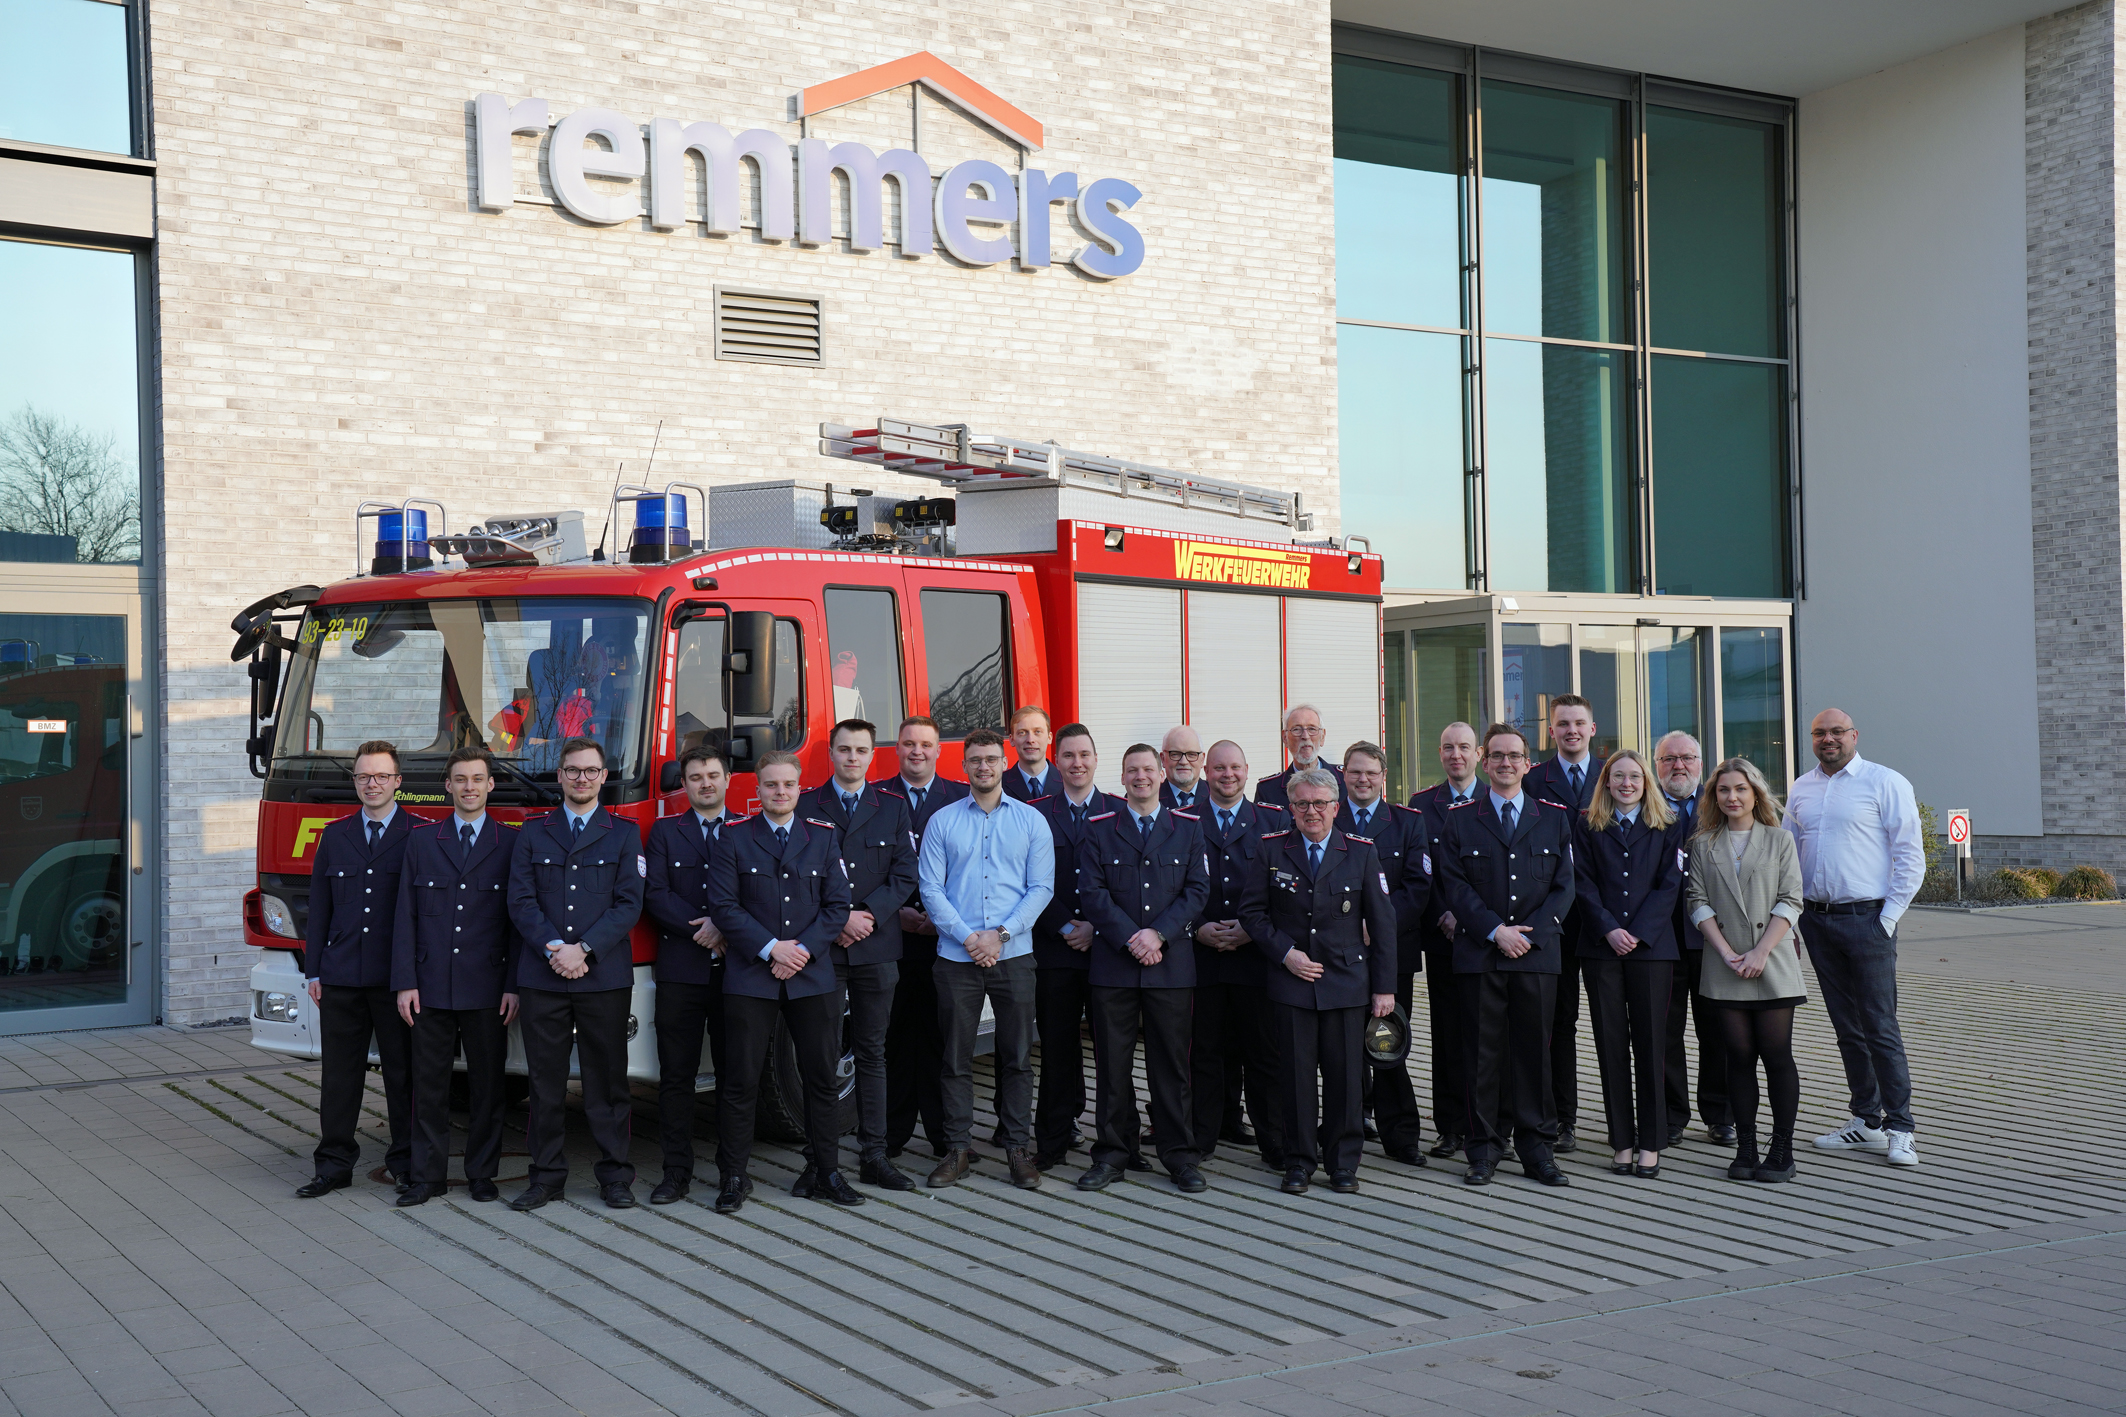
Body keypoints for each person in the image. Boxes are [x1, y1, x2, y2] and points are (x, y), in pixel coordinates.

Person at [709, 750, 859, 1211]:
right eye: (771, 785)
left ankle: (825, 1171)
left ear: (799, 788)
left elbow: (837, 906)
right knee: (740, 1081)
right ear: (756, 790)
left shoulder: (822, 837)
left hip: (811, 976)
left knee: (821, 1078)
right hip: (751, 977)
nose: (780, 792)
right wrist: (772, 948)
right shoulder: (733, 837)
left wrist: (801, 950)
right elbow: (723, 906)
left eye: (788, 785)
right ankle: (734, 1177)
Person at [1241, 768, 1398, 1195]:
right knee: (1295, 1079)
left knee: (1346, 1079)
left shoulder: (1361, 851)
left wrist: (1384, 988)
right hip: (1292, 983)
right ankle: (1298, 1162)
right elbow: (1252, 913)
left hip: (1346, 983)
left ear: (1335, 807)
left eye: (1320, 804)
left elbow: (1383, 925)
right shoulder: (1272, 849)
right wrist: (1285, 954)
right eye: (1302, 804)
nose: (1312, 812)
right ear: (1291, 808)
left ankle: (1343, 1164)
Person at [506, 738, 647, 1211]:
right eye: (572, 770)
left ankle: (615, 1177)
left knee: (607, 1082)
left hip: (602, 976)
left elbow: (629, 903)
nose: (581, 778)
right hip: (543, 974)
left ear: (603, 777)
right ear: (560, 776)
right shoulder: (533, 832)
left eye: (590, 771)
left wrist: (583, 950)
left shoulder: (623, 834)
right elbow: (520, 900)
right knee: (544, 1083)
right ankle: (546, 1177)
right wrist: (555, 949)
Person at [1437, 723, 1576, 1188]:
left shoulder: (1553, 818)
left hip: (1536, 956)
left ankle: (1538, 1150)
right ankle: (1483, 1150)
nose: (1505, 763)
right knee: (1482, 1057)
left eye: (1514, 756)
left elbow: (1564, 888)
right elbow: (1454, 885)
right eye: (1496, 755)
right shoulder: (1460, 820)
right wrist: (1496, 931)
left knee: (1535, 1055)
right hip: (1480, 954)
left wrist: (1528, 937)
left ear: (1527, 763)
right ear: (1484, 760)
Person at [1786, 708, 1925, 1167]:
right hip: (1817, 922)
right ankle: (1866, 1121)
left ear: (1854, 735)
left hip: (1868, 920)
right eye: (1819, 733)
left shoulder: (1885, 782)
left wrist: (1887, 920)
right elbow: (1788, 855)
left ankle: (1900, 1128)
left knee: (1880, 1027)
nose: (1828, 739)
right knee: (1847, 1027)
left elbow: (1911, 857)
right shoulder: (1801, 788)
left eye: (1837, 732)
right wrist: (1792, 920)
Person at [918, 728, 1055, 1189]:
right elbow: (930, 888)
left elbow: (1041, 888)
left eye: (992, 759)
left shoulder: (1031, 821)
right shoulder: (942, 822)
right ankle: (957, 1150)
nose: (984, 767)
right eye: (975, 760)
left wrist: (999, 935)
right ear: (963, 766)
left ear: (1004, 763)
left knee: (1016, 1057)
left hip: (1014, 954)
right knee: (955, 1058)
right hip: (956, 958)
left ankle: (1016, 1149)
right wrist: (968, 937)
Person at [1074, 744, 1211, 1193]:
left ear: (1162, 773)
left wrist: (1159, 935)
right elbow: (1092, 893)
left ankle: (1180, 1156)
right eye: (1132, 770)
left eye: (1149, 769)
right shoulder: (1099, 828)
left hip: (1170, 966)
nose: (1141, 777)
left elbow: (1197, 890)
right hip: (1114, 965)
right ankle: (1113, 1154)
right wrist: (1133, 938)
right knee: (1112, 1068)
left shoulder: (1188, 828)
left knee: (1171, 1068)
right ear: (1122, 777)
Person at [390, 748, 520, 1206]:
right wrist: (405, 981)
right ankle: (427, 1177)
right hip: (429, 985)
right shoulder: (423, 842)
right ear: (447, 786)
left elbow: (518, 921)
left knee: (488, 1087)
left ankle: (482, 1174)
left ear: (490, 786)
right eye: (460, 779)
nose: (469, 787)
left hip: (488, 986)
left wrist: (513, 985)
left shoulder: (511, 843)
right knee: (428, 1087)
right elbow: (405, 915)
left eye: (477, 779)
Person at [799, 721, 920, 1190]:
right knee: (820, 1056)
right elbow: (798, 877)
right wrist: (839, 920)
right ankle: (818, 1160)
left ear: (873, 756)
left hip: (876, 948)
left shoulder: (892, 807)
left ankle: (875, 1155)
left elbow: (905, 873)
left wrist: (867, 914)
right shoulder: (807, 805)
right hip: (824, 951)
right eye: (845, 749)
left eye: (861, 750)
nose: (853, 757)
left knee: (872, 1053)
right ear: (831, 753)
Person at [297, 740, 418, 1198]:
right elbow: (320, 908)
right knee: (339, 1077)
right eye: (364, 776)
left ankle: (406, 1163)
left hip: (395, 980)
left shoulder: (419, 834)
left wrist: (414, 977)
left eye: (382, 776)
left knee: (403, 1076)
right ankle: (333, 1166)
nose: (372, 784)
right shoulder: (335, 835)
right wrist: (313, 972)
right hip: (341, 976)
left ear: (397, 782)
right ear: (355, 782)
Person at [1688, 757, 1807, 1182]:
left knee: (1776, 1055)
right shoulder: (1703, 844)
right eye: (1723, 790)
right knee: (1737, 1057)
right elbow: (1696, 901)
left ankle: (1782, 1151)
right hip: (1725, 964)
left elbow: (1791, 899)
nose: (1732, 796)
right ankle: (1746, 1148)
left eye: (1740, 788)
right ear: (1714, 797)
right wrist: (1725, 952)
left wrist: (1760, 952)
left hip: (1772, 960)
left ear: (1755, 793)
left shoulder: (1779, 839)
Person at [1573, 749, 1684, 1179]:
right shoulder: (1587, 824)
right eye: (1617, 776)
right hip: (1601, 950)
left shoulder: (1667, 825)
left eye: (1634, 776)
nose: (1626, 784)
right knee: (1611, 1046)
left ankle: (1651, 1144)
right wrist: (1609, 929)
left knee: (1652, 1046)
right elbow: (1581, 882)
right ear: (1606, 782)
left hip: (1651, 950)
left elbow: (1669, 885)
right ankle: (1621, 1141)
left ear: (1646, 782)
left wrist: (1636, 932)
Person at [1188, 738, 1286, 1170]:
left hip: (1255, 958)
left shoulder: (1273, 820)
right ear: (1205, 772)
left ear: (1247, 771)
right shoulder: (1185, 820)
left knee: (1263, 1055)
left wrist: (1252, 929)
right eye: (1219, 768)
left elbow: (1286, 886)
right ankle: (1201, 1139)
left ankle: (1275, 1142)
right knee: (1205, 1053)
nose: (1227, 775)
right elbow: (1176, 886)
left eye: (1235, 768)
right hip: (1203, 957)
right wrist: (1196, 927)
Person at [643, 744, 734, 1205]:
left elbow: (758, 895)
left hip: (737, 974)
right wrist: (704, 930)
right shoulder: (664, 832)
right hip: (681, 971)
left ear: (728, 779)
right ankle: (675, 1173)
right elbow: (655, 894)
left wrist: (725, 926)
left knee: (735, 1077)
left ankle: (732, 1173)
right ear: (684, 784)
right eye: (696, 777)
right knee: (676, 1078)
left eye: (713, 775)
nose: (705, 783)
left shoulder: (746, 828)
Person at [1028, 724, 1119, 1169]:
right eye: (1068, 755)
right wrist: (1066, 925)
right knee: (1057, 1050)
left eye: (1084, 755)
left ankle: (1118, 1143)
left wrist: (1096, 928)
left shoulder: (1119, 810)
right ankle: (1052, 1142)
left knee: (1113, 1054)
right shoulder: (1034, 813)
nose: (1077, 763)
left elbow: (1129, 884)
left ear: (1096, 759)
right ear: (1056, 761)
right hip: (1056, 950)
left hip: (1109, 953)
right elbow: (1027, 879)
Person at [1337, 741, 1432, 1165]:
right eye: (1355, 772)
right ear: (1343, 775)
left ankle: (1401, 1136)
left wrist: (1378, 924)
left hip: (1391, 954)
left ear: (1383, 777)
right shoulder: (1327, 815)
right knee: (1342, 1045)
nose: (1363, 780)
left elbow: (1418, 887)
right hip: (1338, 953)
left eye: (1371, 773)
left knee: (1388, 1041)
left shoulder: (1408, 822)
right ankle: (1346, 1126)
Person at [881, 716, 969, 1159]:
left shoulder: (961, 797)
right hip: (891, 936)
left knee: (942, 1039)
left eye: (926, 744)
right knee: (893, 1038)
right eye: (909, 743)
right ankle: (891, 1135)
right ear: (897, 748)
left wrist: (942, 918)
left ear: (939, 750)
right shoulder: (877, 797)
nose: (917, 751)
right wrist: (890, 912)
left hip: (943, 939)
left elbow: (973, 869)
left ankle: (943, 1135)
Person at [1520, 693, 1599, 1154]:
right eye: (1563, 724)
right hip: (1555, 921)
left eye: (1578, 723)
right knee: (1558, 1022)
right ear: (1551, 731)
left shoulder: (1614, 775)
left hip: (1606, 919)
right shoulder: (1533, 781)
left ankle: (1632, 1120)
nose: (1571, 730)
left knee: (1616, 1023)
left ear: (1592, 728)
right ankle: (1562, 1119)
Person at [1407, 722, 1483, 1157]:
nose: (1457, 755)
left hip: (1486, 938)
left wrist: (1472, 918)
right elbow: (1420, 870)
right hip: (1442, 937)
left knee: (1488, 1034)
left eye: (1464, 747)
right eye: (1449, 747)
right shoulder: (1422, 805)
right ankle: (1450, 1127)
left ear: (1478, 755)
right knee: (1447, 1034)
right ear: (1440, 753)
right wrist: (1444, 915)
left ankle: (1489, 1125)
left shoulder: (1496, 797)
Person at [1653, 731, 1732, 1147]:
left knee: (1717, 1030)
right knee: (1665, 1031)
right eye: (1668, 759)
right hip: (1660, 938)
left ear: (1701, 764)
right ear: (1657, 765)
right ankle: (1671, 1115)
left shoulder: (1721, 804)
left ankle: (1721, 1114)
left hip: (1714, 939)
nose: (1678, 765)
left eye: (1687, 758)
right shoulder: (1643, 803)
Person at [1254, 704, 1345, 808]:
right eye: (1296, 729)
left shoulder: (1346, 779)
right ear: (1285, 738)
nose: (1305, 736)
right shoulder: (1268, 790)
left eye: (1312, 729)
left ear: (1323, 736)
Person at [1002, 705, 1058, 801]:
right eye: (1022, 733)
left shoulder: (1068, 782)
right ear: (1011, 739)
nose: (1030, 740)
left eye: (1037, 732)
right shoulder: (998, 786)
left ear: (1049, 738)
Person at [1159, 725, 1206, 811]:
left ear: (1202, 760)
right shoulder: (1149, 798)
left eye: (1191, 754)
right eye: (1175, 754)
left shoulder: (1217, 796)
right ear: (1163, 759)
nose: (1183, 762)